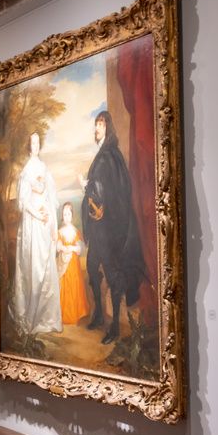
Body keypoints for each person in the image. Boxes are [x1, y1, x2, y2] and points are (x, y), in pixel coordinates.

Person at [81, 110, 145, 344]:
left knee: (113, 275)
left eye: (101, 124)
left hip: (108, 229)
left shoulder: (110, 155)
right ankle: (99, 313)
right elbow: (99, 187)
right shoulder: (101, 155)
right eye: (96, 124)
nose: (97, 128)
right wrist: (89, 188)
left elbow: (117, 189)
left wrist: (94, 189)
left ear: (108, 128)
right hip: (98, 228)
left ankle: (115, 326)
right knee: (91, 268)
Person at [10, 132, 62, 335]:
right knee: (33, 266)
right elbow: (23, 203)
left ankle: (46, 316)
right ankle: (30, 316)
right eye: (32, 142)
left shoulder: (44, 168)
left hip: (44, 224)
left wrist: (50, 221)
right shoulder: (26, 171)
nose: (35, 145)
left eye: (38, 142)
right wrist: (37, 215)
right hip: (32, 224)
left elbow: (50, 197)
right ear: (28, 146)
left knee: (46, 266)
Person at [57, 202, 89, 325]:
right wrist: (63, 248)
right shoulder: (60, 231)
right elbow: (58, 245)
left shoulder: (76, 231)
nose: (66, 216)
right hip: (63, 263)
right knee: (64, 285)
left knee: (74, 283)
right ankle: (64, 313)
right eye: (64, 214)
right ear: (62, 216)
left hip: (73, 264)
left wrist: (72, 248)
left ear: (72, 216)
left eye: (68, 214)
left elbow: (80, 247)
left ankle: (76, 312)